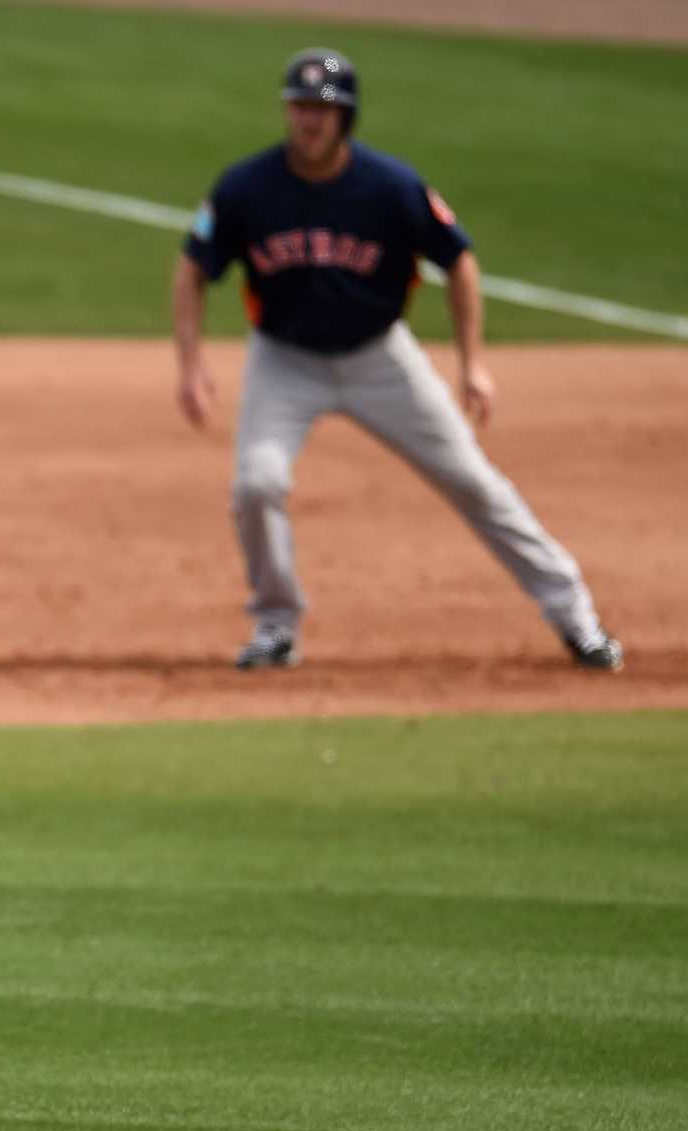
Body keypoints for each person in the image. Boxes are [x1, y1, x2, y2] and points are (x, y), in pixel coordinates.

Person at [171, 48, 623, 672]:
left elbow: (458, 260)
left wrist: (473, 364)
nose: (308, 120)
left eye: (321, 109)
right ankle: (276, 628)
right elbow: (194, 268)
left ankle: (578, 619)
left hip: (380, 360)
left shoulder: (390, 188)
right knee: (256, 484)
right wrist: (191, 366)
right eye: (299, 106)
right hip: (285, 363)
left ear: (346, 118)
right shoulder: (247, 187)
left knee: (473, 482)